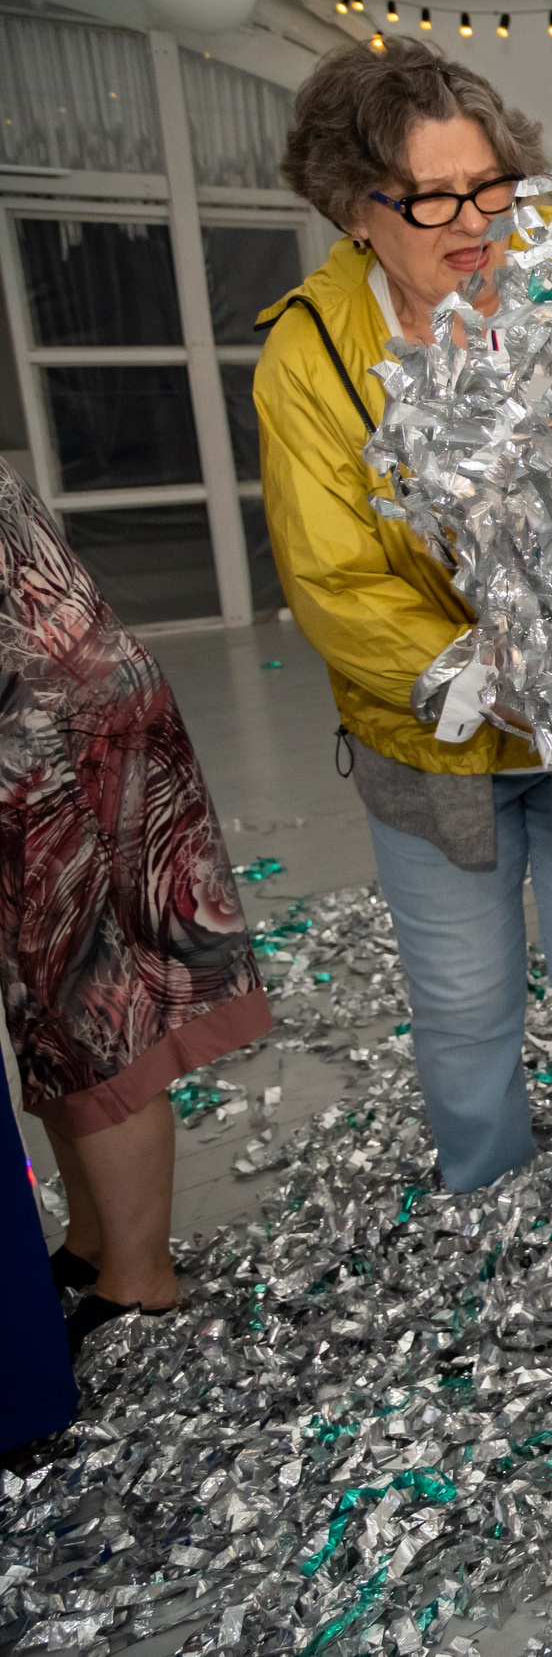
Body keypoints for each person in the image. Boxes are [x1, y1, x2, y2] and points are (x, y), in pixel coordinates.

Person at [255, 39, 552, 1194]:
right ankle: (490, 1206)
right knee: (464, 1007)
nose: (474, 220)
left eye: (490, 184)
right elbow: (335, 578)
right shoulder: (311, 353)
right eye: (433, 197)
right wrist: (494, 678)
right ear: (355, 209)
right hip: (433, 740)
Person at [0, 460, 275, 1348]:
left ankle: (141, 1280)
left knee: (92, 1018)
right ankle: (94, 1239)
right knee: (44, 1014)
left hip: (51, 736)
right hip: (50, 716)